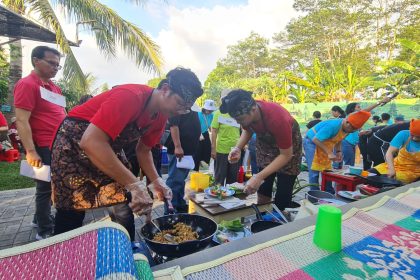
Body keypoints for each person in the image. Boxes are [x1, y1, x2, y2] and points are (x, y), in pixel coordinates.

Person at [50, 67, 203, 240]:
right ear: (166, 89)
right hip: (73, 146)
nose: (180, 112)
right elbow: (90, 142)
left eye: (186, 109)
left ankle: (128, 252)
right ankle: (63, 258)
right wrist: (134, 184)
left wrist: (157, 181)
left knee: (121, 204)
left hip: (106, 148)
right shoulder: (131, 96)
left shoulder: (160, 115)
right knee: (72, 209)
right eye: (180, 104)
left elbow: (144, 150)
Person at [14, 46, 66, 240]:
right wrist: (30, 150)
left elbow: (61, 113)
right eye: (51, 63)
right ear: (36, 61)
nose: (55, 68)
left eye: (57, 65)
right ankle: (44, 230)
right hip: (43, 145)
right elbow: (21, 120)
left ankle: (39, 217)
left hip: (58, 145)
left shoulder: (54, 87)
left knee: (53, 185)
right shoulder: (27, 85)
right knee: (45, 188)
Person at [223, 90, 302, 210]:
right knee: (263, 186)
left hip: (289, 148)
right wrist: (238, 148)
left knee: (284, 188)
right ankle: (263, 215)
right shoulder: (245, 112)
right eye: (236, 120)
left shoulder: (277, 118)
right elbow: (247, 129)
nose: (238, 123)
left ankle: (280, 217)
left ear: (254, 109)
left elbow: (286, 155)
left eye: (240, 120)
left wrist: (258, 177)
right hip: (266, 146)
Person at [304, 110, 371, 193]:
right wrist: (329, 152)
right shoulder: (333, 126)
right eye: (352, 129)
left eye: (354, 130)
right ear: (347, 122)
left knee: (327, 169)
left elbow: (339, 138)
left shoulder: (349, 128)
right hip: (312, 142)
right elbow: (316, 139)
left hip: (325, 142)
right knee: (314, 171)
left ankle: (328, 192)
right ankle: (314, 194)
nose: (352, 131)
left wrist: (338, 151)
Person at [165, 109, 200, 213]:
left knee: (180, 181)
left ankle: (179, 205)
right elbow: (173, 126)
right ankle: (170, 210)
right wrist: (178, 146)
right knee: (174, 182)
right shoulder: (177, 109)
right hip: (179, 152)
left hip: (188, 152)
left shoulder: (191, 110)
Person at [370, 119, 420, 184]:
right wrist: (391, 169)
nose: (414, 138)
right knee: (369, 174)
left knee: (386, 181)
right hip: (395, 164)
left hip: (412, 171)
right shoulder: (403, 134)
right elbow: (389, 152)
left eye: (418, 137)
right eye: (412, 135)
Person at [210, 89, 241, 185]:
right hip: (221, 150)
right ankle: (217, 198)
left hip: (235, 150)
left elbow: (244, 130)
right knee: (219, 177)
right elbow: (214, 131)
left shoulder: (238, 113)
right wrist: (213, 149)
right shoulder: (218, 113)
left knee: (232, 179)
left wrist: (243, 145)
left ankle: (231, 199)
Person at [193, 99, 216, 171]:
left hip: (205, 134)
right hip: (197, 133)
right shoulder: (198, 114)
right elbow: (194, 125)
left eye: (211, 110)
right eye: (208, 110)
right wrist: (198, 133)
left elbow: (211, 125)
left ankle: (203, 163)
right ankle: (195, 169)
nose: (209, 111)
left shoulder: (212, 115)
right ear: (204, 108)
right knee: (197, 152)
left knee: (207, 150)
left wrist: (211, 130)